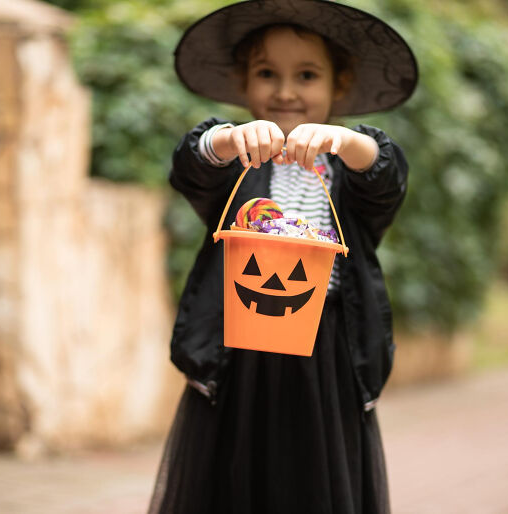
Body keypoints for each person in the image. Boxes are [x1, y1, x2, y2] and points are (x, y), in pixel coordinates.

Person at [148, 1, 417, 513]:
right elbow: (191, 166)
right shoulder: (235, 163)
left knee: (316, 483)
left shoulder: (350, 169)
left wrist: (346, 140)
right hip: (238, 357)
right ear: (244, 84)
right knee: (234, 483)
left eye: (307, 75)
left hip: (326, 356)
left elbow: (387, 175)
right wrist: (227, 139)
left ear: (340, 86)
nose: (286, 90)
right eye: (267, 73)